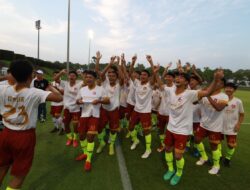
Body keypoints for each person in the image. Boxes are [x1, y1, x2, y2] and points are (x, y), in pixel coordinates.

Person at [0, 60, 62, 190]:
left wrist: (6, 77)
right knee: (19, 175)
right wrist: (50, 87)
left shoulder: (2, 88)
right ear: (30, 76)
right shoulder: (34, 92)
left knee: (2, 167)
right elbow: (59, 97)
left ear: (11, 74)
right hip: (24, 136)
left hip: (5, 134)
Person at [158, 66, 224, 185]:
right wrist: (155, 73)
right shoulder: (171, 90)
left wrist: (215, 79)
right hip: (170, 128)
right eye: (177, 76)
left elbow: (207, 92)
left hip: (182, 131)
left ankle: (178, 173)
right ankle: (170, 169)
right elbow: (161, 86)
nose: (178, 78)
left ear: (186, 82)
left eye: (181, 77)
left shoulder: (191, 94)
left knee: (178, 156)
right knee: (167, 150)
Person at [75, 70, 110, 171]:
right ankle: (85, 153)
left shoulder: (101, 89)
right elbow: (77, 100)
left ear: (94, 78)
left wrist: (99, 100)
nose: (88, 79)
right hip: (84, 115)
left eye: (90, 77)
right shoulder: (82, 89)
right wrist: (79, 101)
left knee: (90, 137)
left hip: (95, 115)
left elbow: (108, 100)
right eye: (86, 77)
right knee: (81, 136)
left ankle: (88, 160)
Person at [194, 77, 228, 175]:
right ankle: (204, 157)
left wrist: (208, 96)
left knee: (214, 146)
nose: (216, 84)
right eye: (215, 82)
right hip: (203, 124)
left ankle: (216, 166)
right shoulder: (205, 94)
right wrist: (201, 94)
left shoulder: (224, 96)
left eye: (219, 82)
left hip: (215, 126)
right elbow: (194, 102)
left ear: (222, 85)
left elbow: (218, 108)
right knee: (197, 140)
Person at [128, 55, 157, 159]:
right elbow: (130, 73)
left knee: (146, 131)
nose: (142, 76)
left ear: (148, 77)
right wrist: (133, 62)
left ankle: (148, 149)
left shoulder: (150, 84)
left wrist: (151, 62)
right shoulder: (136, 83)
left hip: (145, 111)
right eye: (141, 75)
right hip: (136, 110)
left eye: (145, 75)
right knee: (130, 127)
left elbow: (154, 74)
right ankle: (135, 140)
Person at [95, 53, 124, 155]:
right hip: (103, 109)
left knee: (113, 129)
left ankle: (111, 145)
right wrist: (108, 63)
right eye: (109, 75)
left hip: (114, 110)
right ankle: (102, 143)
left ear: (116, 77)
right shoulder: (105, 82)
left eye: (113, 76)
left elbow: (122, 77)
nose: (111, 77)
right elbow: (99, 73)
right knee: (99, 128)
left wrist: (116, 65)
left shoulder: (119, 84)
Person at [54, 69, 83, 148]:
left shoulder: (79, 84)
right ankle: (69, 138)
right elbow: (56, 79)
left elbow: (86, 82)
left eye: (73, 76)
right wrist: (61, 72)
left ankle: (75, 138)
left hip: (76, 108)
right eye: (70, 75)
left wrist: (81, 74)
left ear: (76, 77)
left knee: (75, 125)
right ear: (68, 77)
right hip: (67, 107)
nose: (71, 77)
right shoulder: (65, 84)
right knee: (66, 124)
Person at [222, 81, 244, 167]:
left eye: (231, 88)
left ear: (234, 90)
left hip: (231, 127)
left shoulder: (238, 101)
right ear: (224, 89)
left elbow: (242, 114)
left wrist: (238, 124)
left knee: (231, 145)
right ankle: (219, 156)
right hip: (219, 126)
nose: (228, 89)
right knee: (216, 143)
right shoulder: (221, 99)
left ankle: (227, 159)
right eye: (227, 87)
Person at [50, 71, 65, 135]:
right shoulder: (51, 83)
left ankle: (63, 128)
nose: (56, 76)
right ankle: (56, 127)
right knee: (53, 115)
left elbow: (63, 93)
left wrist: (56, 88)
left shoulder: (63, 83)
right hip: (53, 102)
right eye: (54, 75)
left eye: (57, 75)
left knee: (57, 115)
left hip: (60, 102)